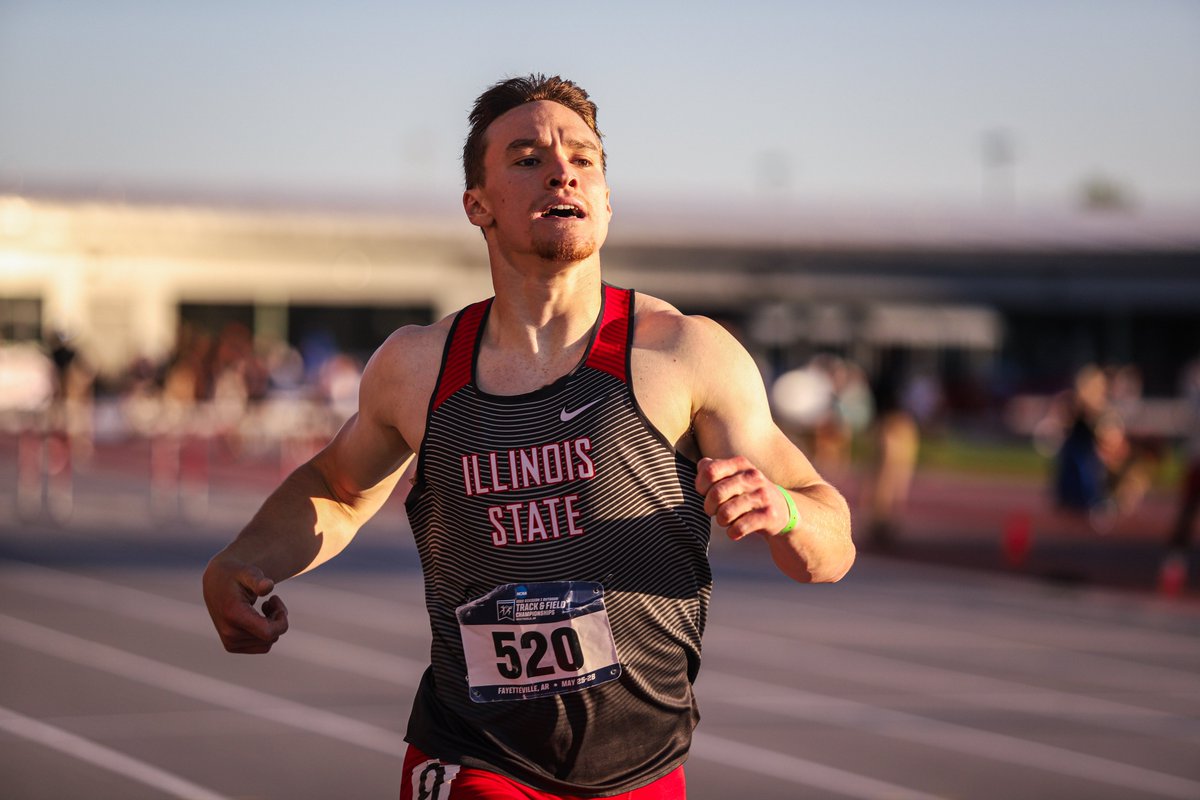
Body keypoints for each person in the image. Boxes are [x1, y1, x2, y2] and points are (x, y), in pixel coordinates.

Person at [202, 74, 854, 799]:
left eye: (583, 157)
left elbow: (831, 549)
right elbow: (338, 488)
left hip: (643, 768)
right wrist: (241, 562)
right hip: (474, 754)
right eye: (527, 158)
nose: (561, 171)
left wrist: (784, 510)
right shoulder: (420, 367)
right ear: (477, 205)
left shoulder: (684, 353)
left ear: (606, 197)